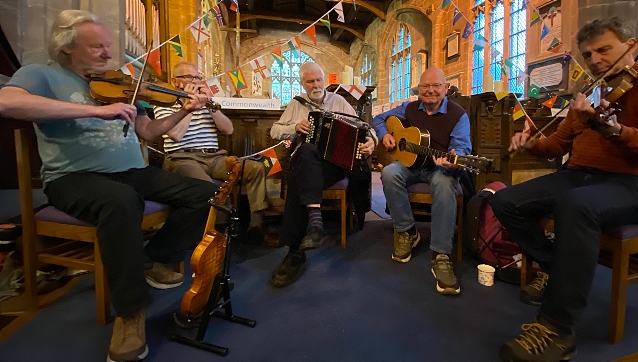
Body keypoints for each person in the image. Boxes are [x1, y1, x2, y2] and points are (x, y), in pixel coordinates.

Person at [0, 10, 219, 362]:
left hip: (132, 171)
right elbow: (7, 103)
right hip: (74, 178)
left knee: (208, 193)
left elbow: (149, 132)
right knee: (120, 200)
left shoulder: (121, 83)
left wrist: (185, 110)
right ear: (69, 47)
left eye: (108, 46)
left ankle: (154, 258)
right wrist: (95, 111)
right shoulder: (40, 74)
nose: (107, 54)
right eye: (97, 47)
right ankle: (130, 314)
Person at [490, 17, 638, 362]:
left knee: (576, 205)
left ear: (630, 45)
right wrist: (530, 144)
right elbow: (554, 146)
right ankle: (557, 269)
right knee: (506, 199)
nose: (595, 59)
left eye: (603, 49)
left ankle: (557, 329)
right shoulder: (590, 95)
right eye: (588, 54)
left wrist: (613, 130)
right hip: (582, 176)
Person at [268, 62, 377, 288]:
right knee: (306, 154)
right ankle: (314, 227)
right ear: (303, 84)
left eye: (319, 80)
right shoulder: (297, 105)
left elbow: (367, 128)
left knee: (300, 176)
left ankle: (295, 251)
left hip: (335, 166)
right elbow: (274, 130)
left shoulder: (339, 101)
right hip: (308, 165)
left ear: (324, 80)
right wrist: (293, 128)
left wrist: (372, 142)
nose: (316, 85)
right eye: (310, 81)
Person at [373, 66, 472, 296]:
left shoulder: (458, 115)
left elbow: (463, 148)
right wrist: (384, 135)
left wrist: (453, 159)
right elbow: (379, 119)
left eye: (436, 86)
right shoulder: (409, 109)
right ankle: (408, 231)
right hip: (411, 166)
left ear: (445, 88)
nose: (430, 91)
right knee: (389, 173)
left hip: (440, 169)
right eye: (425, 86)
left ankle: (441, 254)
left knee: (445, 183)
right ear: (418, 90)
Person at [154, 61, 273, 240]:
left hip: (214, 157)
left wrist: (210, 105)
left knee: (255, 169)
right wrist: (189, 108)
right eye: (189, 77)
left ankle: (256, 226)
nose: (195, 81)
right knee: (207, 188)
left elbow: (229, 130)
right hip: (182, 158)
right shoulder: (164, 103)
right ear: (175, 81)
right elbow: (176, 135)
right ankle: (216, 233)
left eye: (198, 77)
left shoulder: (207, 104)